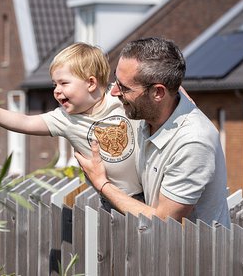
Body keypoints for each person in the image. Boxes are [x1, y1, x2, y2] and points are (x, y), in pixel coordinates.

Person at [75, 37, 231, 227]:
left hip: (191, 253)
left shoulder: (193, 142)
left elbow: (164, 220)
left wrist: (101, 183)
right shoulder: (148, 113)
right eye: (116, 81)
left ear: (158, 93)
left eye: (124, 87)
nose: (114, 92)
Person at [0, 42, 143, 209]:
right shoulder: (65, 119)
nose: (56, 90)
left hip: (150, 188)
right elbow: (26, 122)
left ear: (91, 83)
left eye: (64, 83)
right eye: (54, 84)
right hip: (114, 198)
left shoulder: (118, 98)